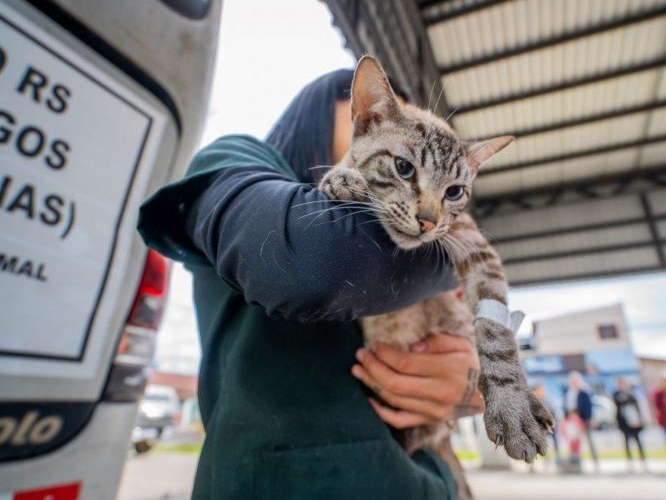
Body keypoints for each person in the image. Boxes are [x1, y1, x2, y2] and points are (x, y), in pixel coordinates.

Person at [137, 69, 485, 499]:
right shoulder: (237, 157)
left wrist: (469, 389)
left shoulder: (399, 217)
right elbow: (313, 262)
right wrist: (462, 251)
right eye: (392, 118)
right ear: (361, 114)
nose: (412, 133)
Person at [565, 371, 598, 468]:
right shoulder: (569, 392)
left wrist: (588, 418)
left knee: (589, 440)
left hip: (583, 419)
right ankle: (575, 460)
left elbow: (588, 406)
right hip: (572, 420)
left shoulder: (584, 392)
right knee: (573, 441)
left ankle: (594, 460)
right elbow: (567, 406)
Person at [612, 378, 646, 471]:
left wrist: (639, 419)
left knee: (637, 441)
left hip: (633, 421)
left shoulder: (631, 393)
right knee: (626, 442)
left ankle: (642, 459)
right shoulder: (616, 394)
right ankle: (630, 461)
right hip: (624, 422)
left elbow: (636, 406)